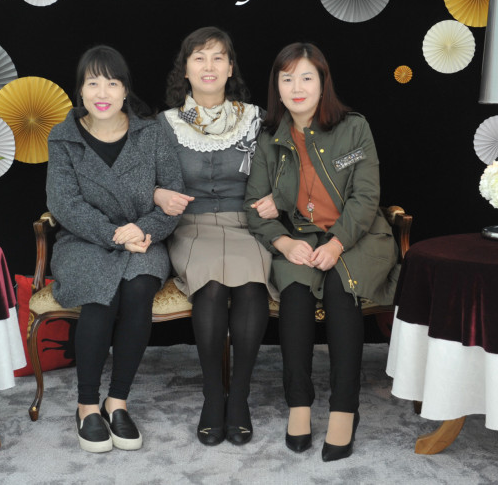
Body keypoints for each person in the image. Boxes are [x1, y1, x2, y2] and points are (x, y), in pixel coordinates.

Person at [244, 42, 398, 461]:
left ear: (323, 82)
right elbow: (254, 205)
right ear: (277, 86)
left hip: (358, 237)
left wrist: (337, 243)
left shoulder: (353, 128)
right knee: (295, 297)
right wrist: (283, 241)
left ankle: (345, 409)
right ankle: (298, 404)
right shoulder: (269, 139)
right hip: (301, 239)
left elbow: (366, 197)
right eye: (287, 79)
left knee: (339, 293)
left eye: (306, 78)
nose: (297, 88)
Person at [46, 45, 183, 453]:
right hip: (84, 240)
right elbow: (64, 204)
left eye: (112, 83)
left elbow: (173, 197)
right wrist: (114, 235)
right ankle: (87, 405)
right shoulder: (64, 137)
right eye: (93, 83)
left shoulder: (152, 132)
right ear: (80, 90)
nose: (102, 92)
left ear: (125, 90)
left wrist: (142, 229)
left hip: (145, 239)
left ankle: (117, 401)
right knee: (100, 294)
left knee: (138, 289)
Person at [155, 26, 278, 447]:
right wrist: (156, 193)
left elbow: (288, 170)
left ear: (230, 68)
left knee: (251, 288)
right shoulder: (166, 124)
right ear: (186, 70)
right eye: (199, 57)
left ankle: (238, 398)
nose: (209, 66)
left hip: (248, 226)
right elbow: (143, 179)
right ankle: (213, 397)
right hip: (191, 228)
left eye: (218, 57)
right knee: (209, 288)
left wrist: (278, 197)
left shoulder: (257, 119)